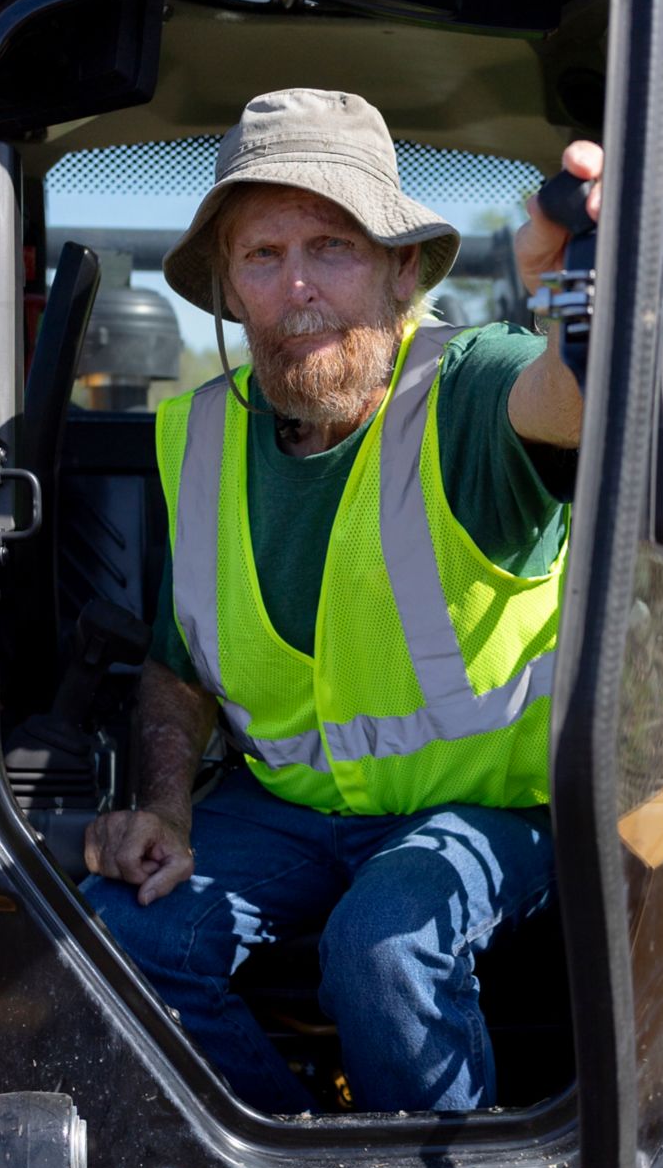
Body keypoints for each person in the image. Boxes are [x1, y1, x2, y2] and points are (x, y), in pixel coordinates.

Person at [82, 87, 600, 1114]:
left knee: (384, 941)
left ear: (402, 269)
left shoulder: (466, 387)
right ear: (229, 290)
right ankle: (289, 1166)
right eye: (262, 257)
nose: (299, 286)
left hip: (495, 811)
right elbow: (177, 670)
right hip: (291, 812)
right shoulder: (197, 440)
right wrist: (166, 808)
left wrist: (586, 316)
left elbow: (568, 400)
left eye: (333, 246)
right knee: (121, 932)